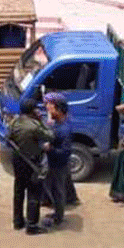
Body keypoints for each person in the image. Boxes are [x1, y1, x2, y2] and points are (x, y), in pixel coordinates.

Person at [8, 98, 54, 234]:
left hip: (17, 161)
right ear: (33, 110)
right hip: (32, 162)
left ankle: (17, 222)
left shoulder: (14, 122)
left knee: (18, 191)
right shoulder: (34, 126)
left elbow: (8, 136)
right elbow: (50, 136)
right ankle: (32, 225)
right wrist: (42, 121)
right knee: (33, 193)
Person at [42, 92, 72, 228]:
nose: (48, 110)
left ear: (59, 109)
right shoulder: (59, 122)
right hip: (54, 162)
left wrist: (50, 149)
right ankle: (57, 213)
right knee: (54, 189)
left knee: (58, 191)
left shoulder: (64, 129)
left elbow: (65, 152)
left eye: (51, 108)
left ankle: (58, 218)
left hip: (59, 164)